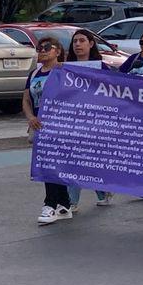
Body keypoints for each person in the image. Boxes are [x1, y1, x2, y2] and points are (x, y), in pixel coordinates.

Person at [23, 38, 77, 225]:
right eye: (39, 48)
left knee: (52, 165)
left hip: (60, 127)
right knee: (50, 164)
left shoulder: (65, 72)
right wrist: (30, 117)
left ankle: (50, 204)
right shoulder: (34, 74)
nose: (42, 51)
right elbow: (27, 100)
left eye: (47, 48)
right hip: (41, 127)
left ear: (58, 51)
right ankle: (64, 204)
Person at [65, 28, 113, 206]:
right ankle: (72, 201)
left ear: (91, 44)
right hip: (72, 122)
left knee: (88, 161)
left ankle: (100, 191)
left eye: (82, 40)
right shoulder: (66, 67)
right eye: (75, 41)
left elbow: (111, 92)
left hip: (95, 122)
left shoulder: (101, 67)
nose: (78, 44)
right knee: (75, 160)